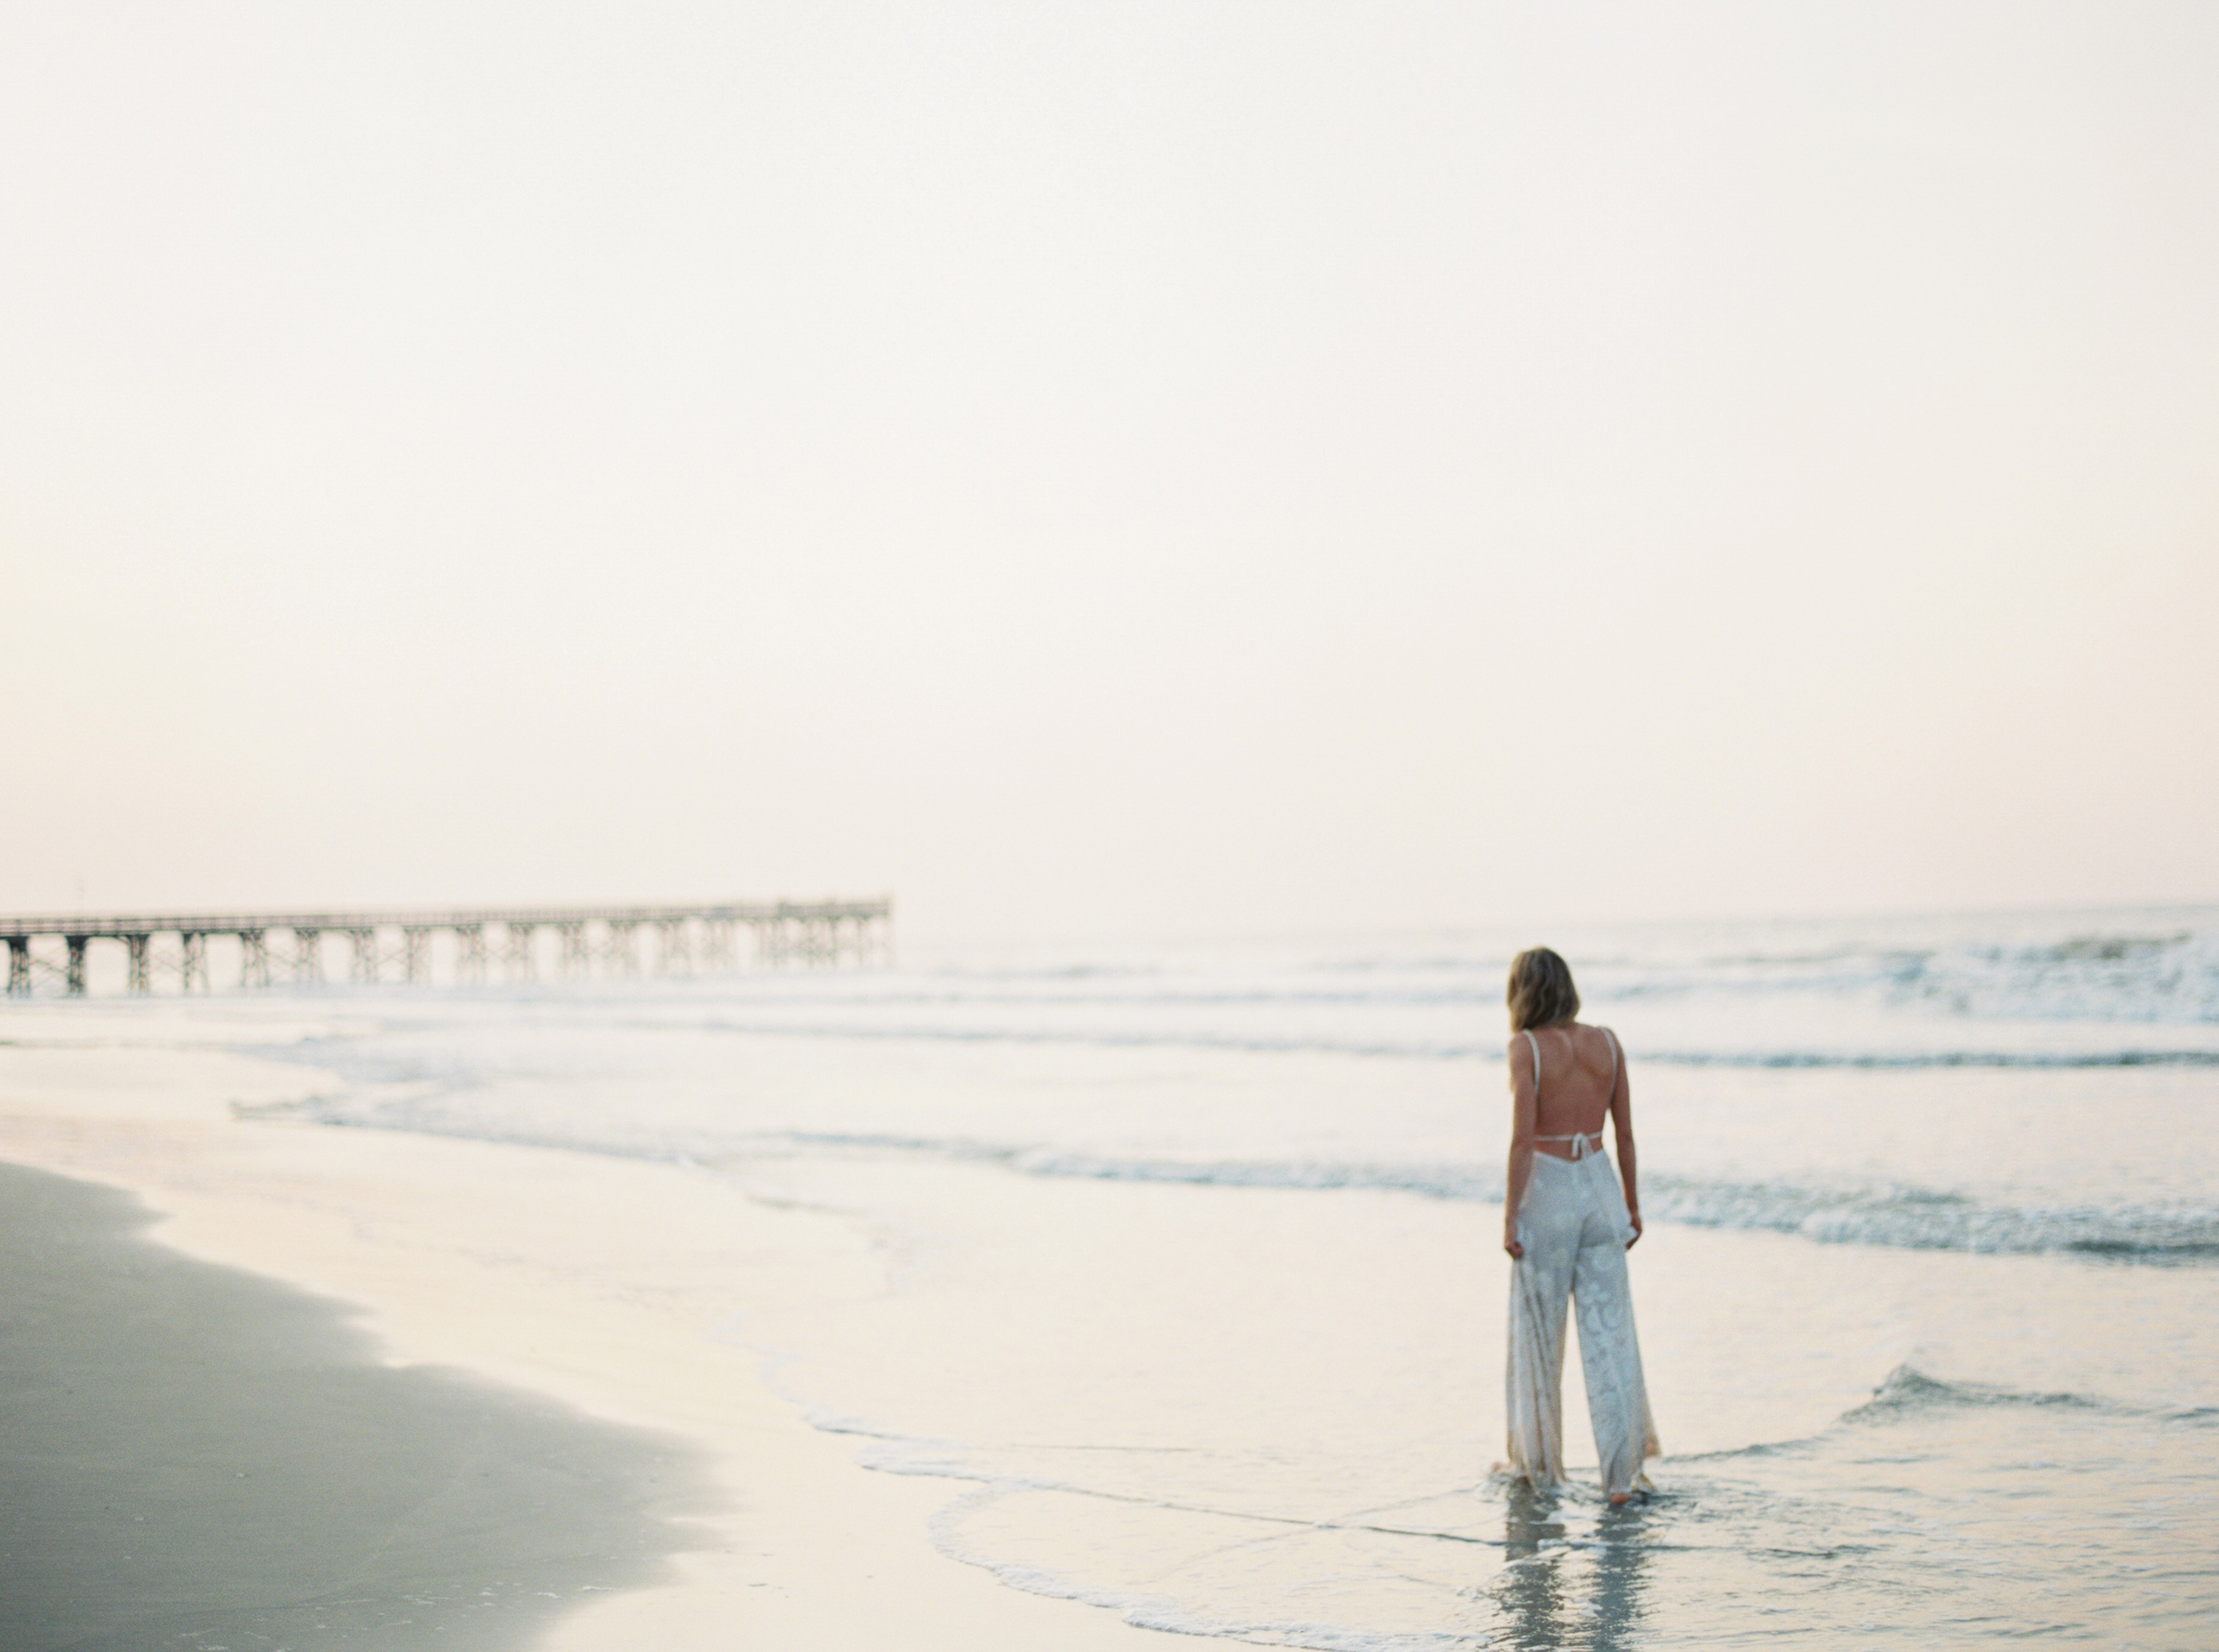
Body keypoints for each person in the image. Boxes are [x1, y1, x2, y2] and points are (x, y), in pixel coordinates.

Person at [1499, 946, 1659, 1503]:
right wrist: (1632, 1207)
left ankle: (1539, 1470)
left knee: (1540, 1337)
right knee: (1609, 1337)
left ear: (1522, 992)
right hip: (1599, 1184)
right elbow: (1627, 1137)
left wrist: (1510, 1217)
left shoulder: (1527, 1049)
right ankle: (1620, 1479)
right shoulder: (1608, 1043)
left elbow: (1522, 1141)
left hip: (1548, 1189)